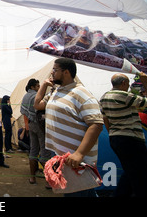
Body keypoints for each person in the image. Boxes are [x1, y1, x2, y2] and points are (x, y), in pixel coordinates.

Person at [34, 58, 104, 197]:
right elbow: (37, 105)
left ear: (66, 72)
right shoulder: (56, 91)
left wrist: (79, 154)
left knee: (78, 193)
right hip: (62, 157)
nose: (52, 73)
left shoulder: (81, 93)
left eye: (55, 70)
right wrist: (43, 85)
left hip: (76, 160)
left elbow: (96, 124)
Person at [100, 72, 147, 197]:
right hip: (131, 138)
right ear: (123, 83)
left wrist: (113, 134)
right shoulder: (125, 95)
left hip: (116, 138)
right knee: (143, 175)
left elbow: (105, 120)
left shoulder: (104, 97)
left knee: (130, 172)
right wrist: (146, 84)